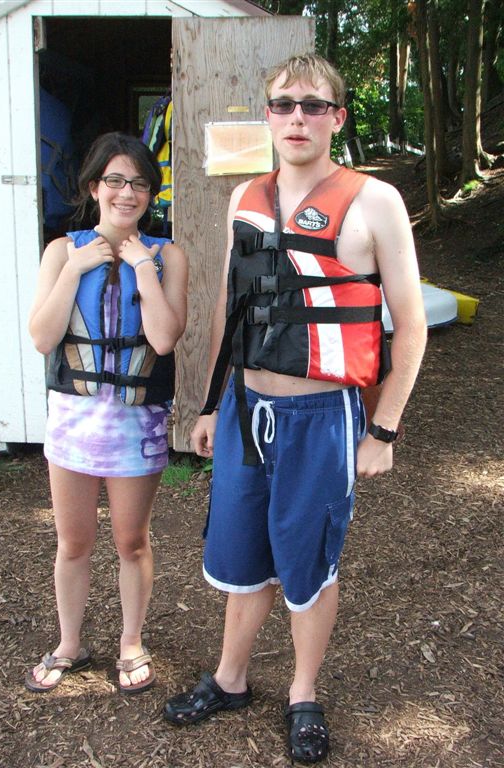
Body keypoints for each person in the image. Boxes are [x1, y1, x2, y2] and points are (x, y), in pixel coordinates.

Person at [163, 53, 427, 764]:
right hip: (245, 411)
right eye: (284, 105)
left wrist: (383, 430)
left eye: (313, 105)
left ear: (337, 117)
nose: (297, 118)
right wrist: (211, 403)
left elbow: (412, 325)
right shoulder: (245, 197)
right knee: (241, 553)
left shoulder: (375, 202)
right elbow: (231, 308)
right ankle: (230, 678)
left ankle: (303, 693)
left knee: (308, 564)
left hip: (322, 419)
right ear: (269, 116)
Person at [26, 132, 187, 695]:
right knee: (72, 542)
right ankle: (70, 642)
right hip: (73, 422)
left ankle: (131, 641)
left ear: (151, 193)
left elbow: (163, 340)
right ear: (94, 187)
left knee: (131, 542)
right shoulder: (60, 251)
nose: (127, 193)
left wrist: (142, 266)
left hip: (136, 425)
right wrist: (75, 270)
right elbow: (43, 338)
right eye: (115, 181)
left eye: (140, 183)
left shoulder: (168, 257)